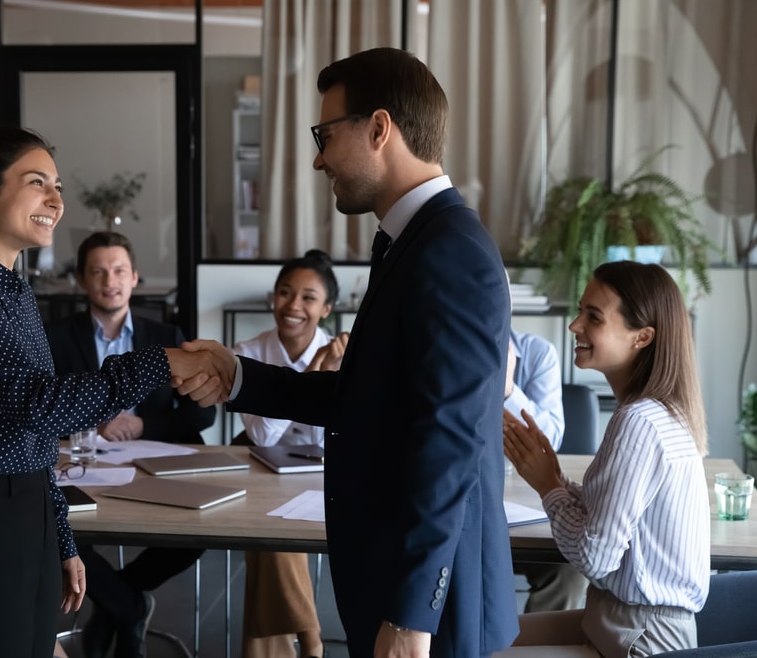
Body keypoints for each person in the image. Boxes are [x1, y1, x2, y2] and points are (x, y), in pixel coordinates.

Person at [179, 47, 519, 657]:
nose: (317, 158)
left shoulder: (449, 250)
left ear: (380, 128)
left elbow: (452, 442)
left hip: (434, 608)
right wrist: (238, 378)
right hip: (395, 583)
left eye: (326, 135)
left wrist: (412, 613)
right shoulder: (410, 242)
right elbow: (368, 397)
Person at [0, 127, 220, 657]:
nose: (57, 200)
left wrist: (61, 538)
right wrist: (161, 361)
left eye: (56, 185)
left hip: (23, 506)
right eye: (37, 183)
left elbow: (32, 439)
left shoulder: (12, 289)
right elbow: (41, 405)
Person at [499, 261, 710, 657]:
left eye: (592, 316)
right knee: (476, 635)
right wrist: (556, 481)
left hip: (640, 640)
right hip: (615, 620)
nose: (574, 325)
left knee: (469, 648)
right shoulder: (656, 412)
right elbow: (613, 520)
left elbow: (593, 557)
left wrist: (548, 486)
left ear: (642, 337)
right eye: (580, 310)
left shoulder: (640, 422)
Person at [45, 231, 214, 657]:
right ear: (83, 280)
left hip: (151, 466)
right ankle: (127, 605)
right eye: (98, 271)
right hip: (82, 465)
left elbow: (202, 416)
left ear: (135, 277)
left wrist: (142, 425)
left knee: (197, 535)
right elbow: (38, 409)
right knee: (56, 528)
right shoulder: (55, 337)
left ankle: (120, 604)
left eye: (119, 270)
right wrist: (93, 421)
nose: (110, 280)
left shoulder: (165, 334)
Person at [232, 249, 347, 658]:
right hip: (264, 476)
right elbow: (262, 436)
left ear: (327, 308)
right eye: (284, 293)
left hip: (326, 479)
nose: (293, 306)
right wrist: (312, 377)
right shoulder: (248, 351)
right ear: (273, 298)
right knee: (272, 532)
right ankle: (311, 640)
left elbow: (336, 435)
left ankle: (296, 643)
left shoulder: (348, 356)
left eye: (308, 297)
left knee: (271, 538)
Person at [505, 313, 587, 613]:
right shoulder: (432, 351)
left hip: (521, 508)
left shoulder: (538, 354)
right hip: (457, 509)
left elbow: (550, 440)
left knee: (569, 571)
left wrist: (509, 391)